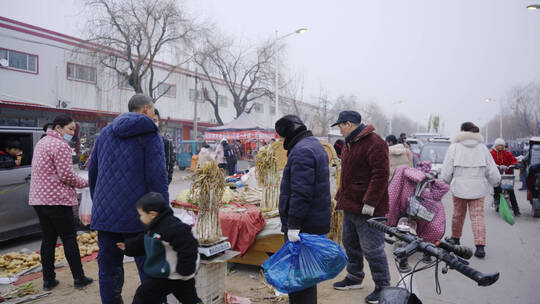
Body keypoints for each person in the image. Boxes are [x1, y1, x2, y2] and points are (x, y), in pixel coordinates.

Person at [89, 94, 169, 304]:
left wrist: (100, 205)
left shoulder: (105, 132)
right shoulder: (151, 134)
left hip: (107, 216)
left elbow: (93, 172)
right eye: (153, 109)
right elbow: (157, 179)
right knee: (150, 269)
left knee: (108, 269)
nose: (153, 114)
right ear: (145, 110)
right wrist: (163, 215)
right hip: (139, 217)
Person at [331, 111, 390, 304]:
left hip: (368, 207)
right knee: (350, 243)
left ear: (349, 124)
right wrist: (340, 197)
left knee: (372, 249)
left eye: (340, 125)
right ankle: (355, 277)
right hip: (351, 204)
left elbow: (381, 174)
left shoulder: (374, 142)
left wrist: (371, 201)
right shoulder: (350, 143)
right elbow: (348, 175)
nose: (339, 129)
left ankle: (383, 287)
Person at [29, 115, 93, 291]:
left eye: (74, 130)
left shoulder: (42, 142)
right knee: (69, 239)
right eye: (70, 129)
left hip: (38, 199)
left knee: (48, 239)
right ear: (58, 128)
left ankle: (48, 279)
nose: (72, 133)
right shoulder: (60, 145)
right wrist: (86, 182)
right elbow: (66, 175)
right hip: (57, 201)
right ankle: (79, 278)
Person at [274, 115, 331, 304]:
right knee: (306, 276)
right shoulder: (314, 145)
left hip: (304, 227)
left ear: (289, 133)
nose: (282, 141)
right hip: (313, 222)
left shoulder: (302, 151)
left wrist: (293, 225)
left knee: (299, 279)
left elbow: (301, 193)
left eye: (282, 137)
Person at [116, 192, 201, 304]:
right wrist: (129, 247)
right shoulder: (154, 227)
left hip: (175, 274)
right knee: (189, 299)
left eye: (141, 215)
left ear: (152, 214)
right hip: (168, 274)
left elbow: (189, 246)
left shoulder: (173, 228)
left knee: (143, 295)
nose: (140, 218)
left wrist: (185, 269)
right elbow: (145, 241)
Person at [441, 122, 500, 258]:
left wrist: (444, 181)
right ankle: (480, 247)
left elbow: (447, 171)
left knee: (458, 215)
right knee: (478, 217)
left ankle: (455, 240)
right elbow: (491, 169)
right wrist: (496, 183)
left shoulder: (454, 147)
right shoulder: (482, 148)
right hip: (478, 189)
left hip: (459, 189)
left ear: (461, 131)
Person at [490, 138, 521, 216]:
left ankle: (516, 210)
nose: (500, 147)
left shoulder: (507, 153)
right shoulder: (491, 153)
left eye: (502, 145)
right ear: (495, 146)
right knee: (497, 188)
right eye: (499, 145)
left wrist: (515, 164)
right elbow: (488, 162)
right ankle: (496, 201)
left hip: (507, 175)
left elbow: (514, 160)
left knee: (511, 191)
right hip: (497, 174)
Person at [153, 109, 175, 184]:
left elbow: (169, 166)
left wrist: (165, 183)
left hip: (159, 185)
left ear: (158, 122)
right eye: (149, 120)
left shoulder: (166, 143)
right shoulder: (139, 141)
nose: (152, 123)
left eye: (154, 120)